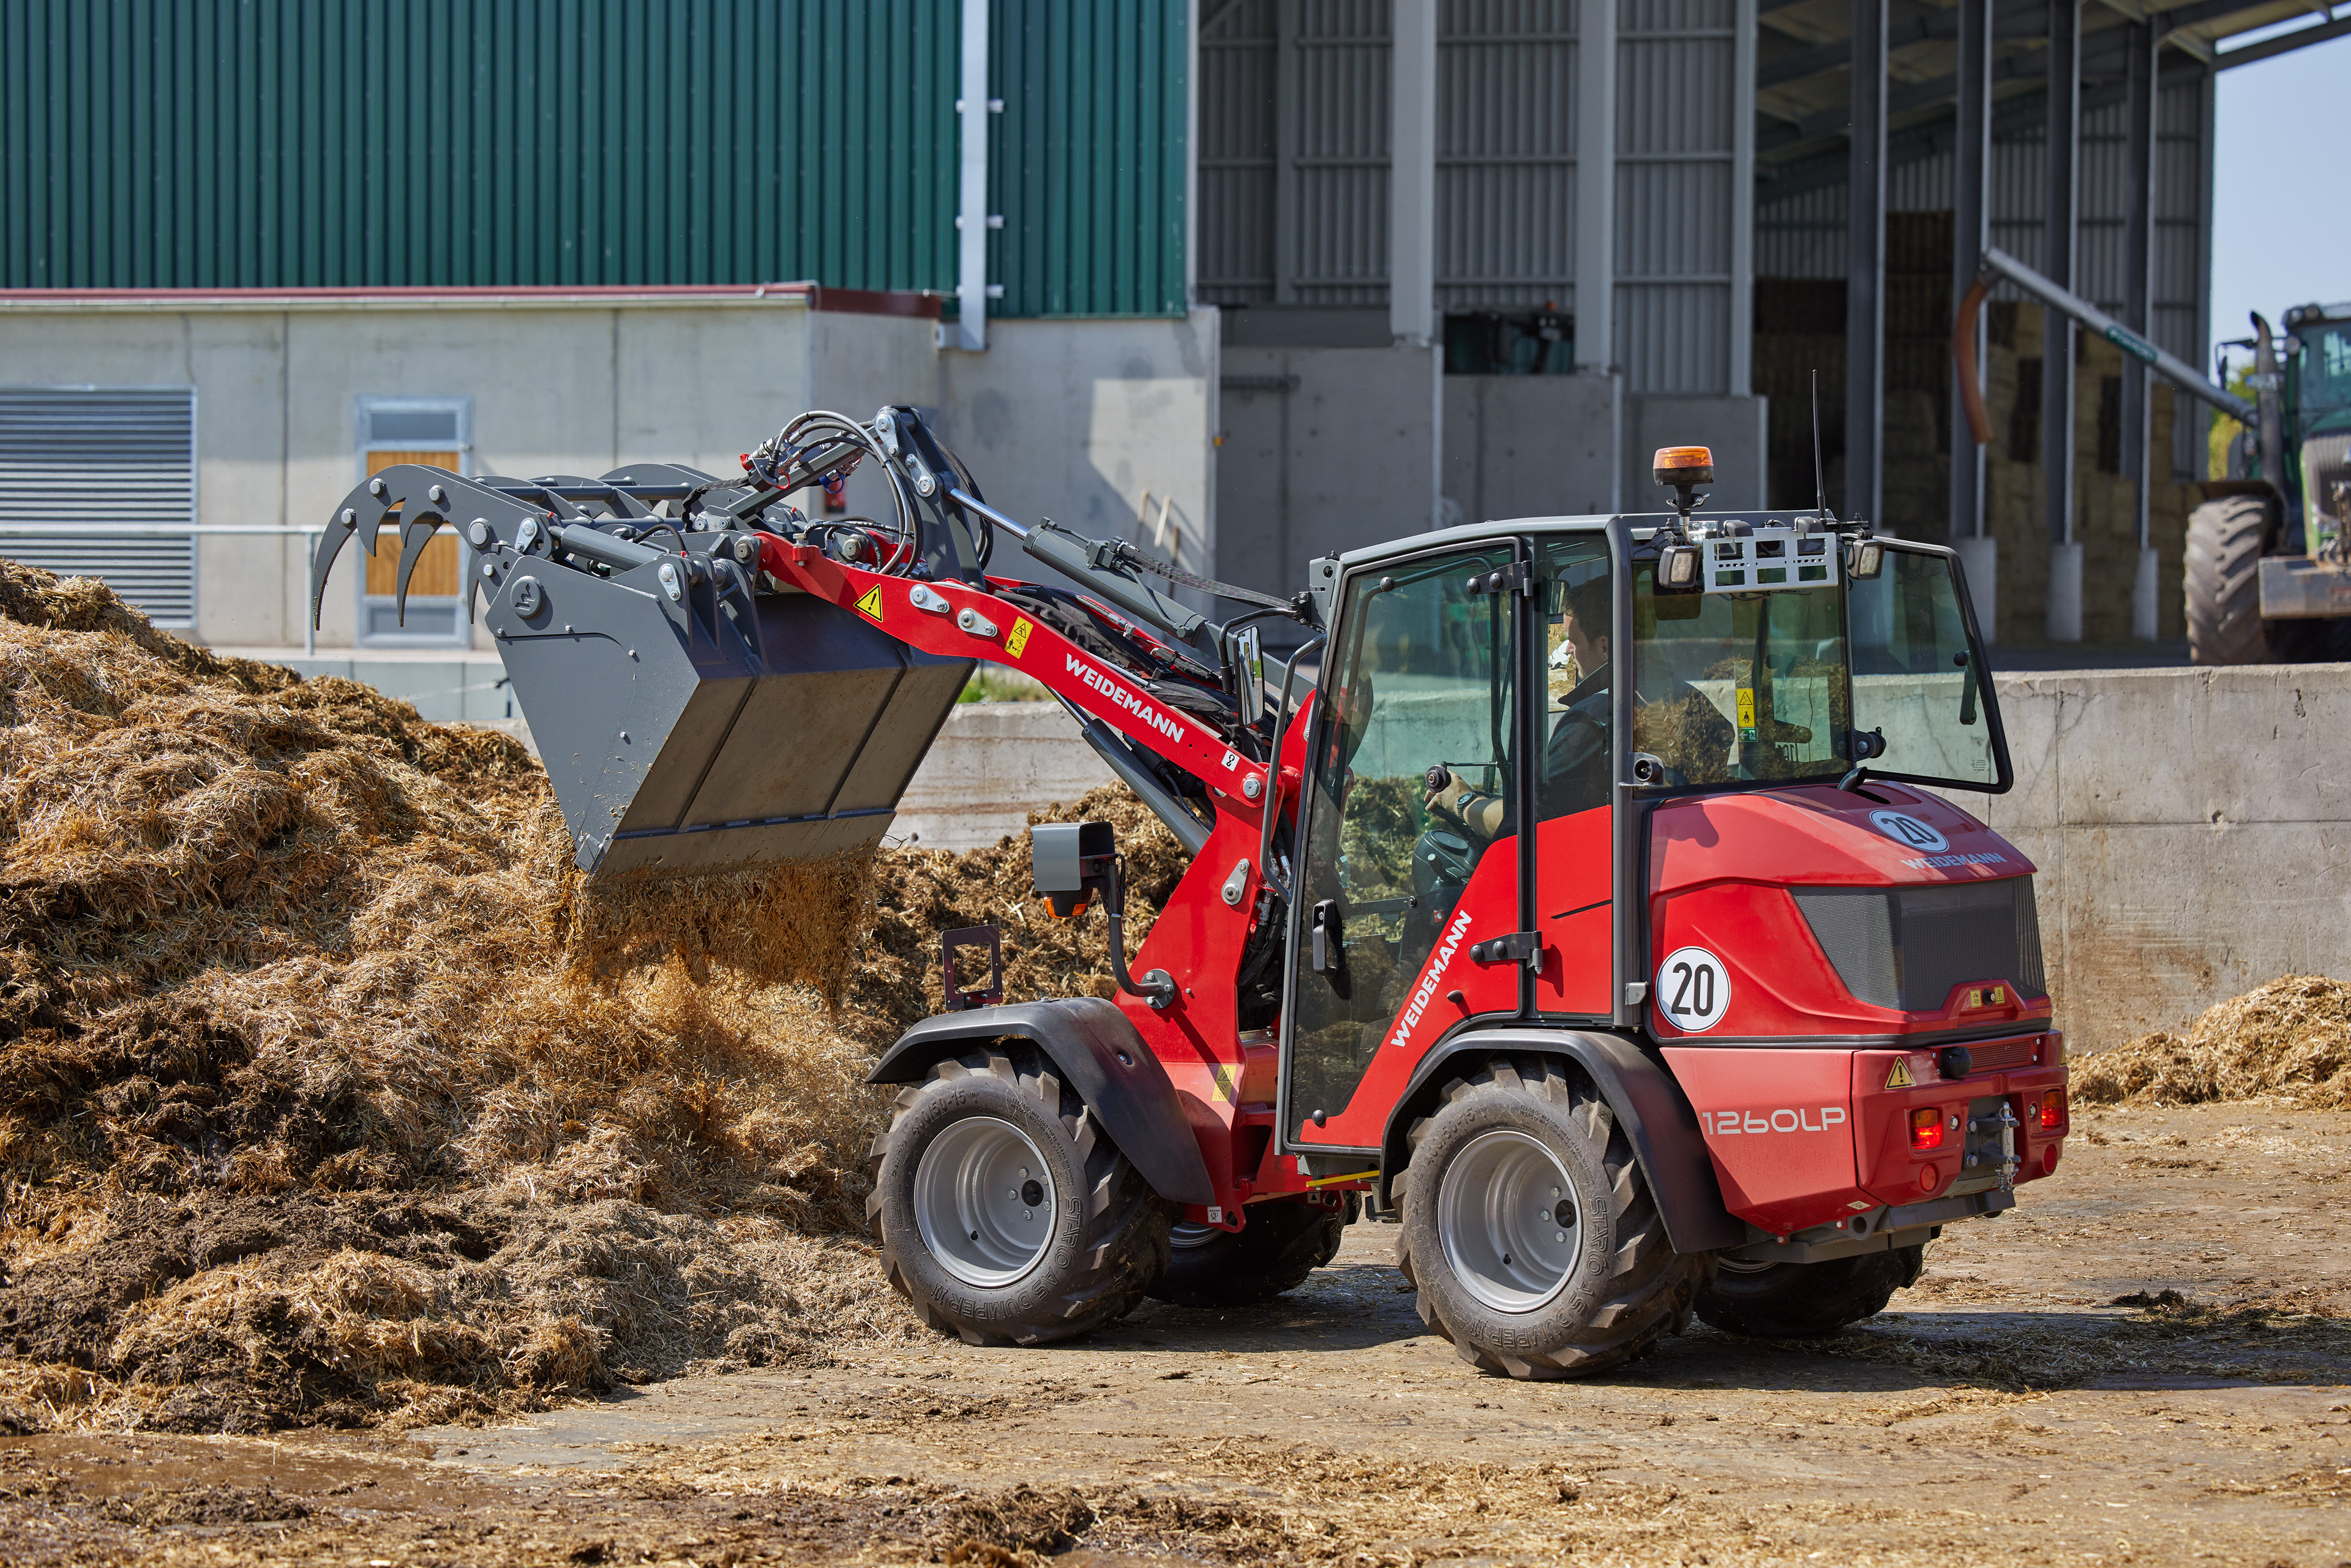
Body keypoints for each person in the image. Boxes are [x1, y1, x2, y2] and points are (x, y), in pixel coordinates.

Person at [1422, 573, 1733, 837]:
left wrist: (1462, 800)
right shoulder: (1691, 701)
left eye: (1574, 640)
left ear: (1605, 646)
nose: (1568, 650)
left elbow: (1522, 827)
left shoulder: (1591, 720)